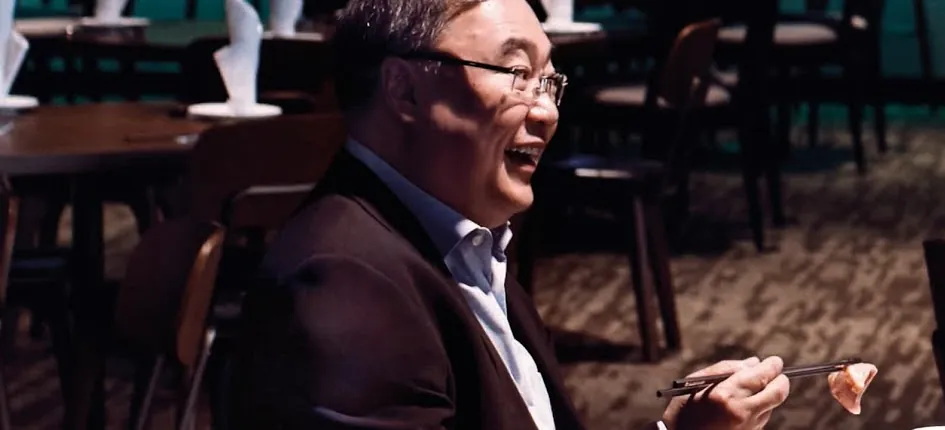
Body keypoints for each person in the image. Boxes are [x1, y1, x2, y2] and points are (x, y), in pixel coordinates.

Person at [225, 0, 863, 428]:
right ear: (404, 89)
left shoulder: (461, 243)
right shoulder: (344, 285)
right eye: (515, 73)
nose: (547, 110)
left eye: (549, 81)